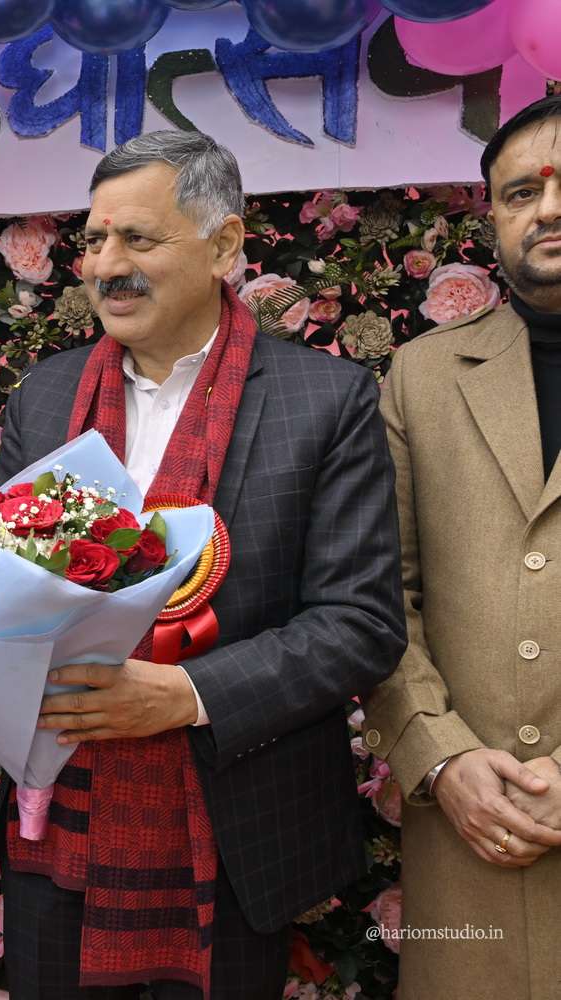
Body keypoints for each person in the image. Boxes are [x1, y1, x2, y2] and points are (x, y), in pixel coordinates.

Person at [0, 130, 406, 999]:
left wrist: (185, 695)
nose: (107, 265)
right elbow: (2, 591)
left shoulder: (323, 401)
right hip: (57, 820)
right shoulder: (46, 396)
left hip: (235, 830)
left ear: (224, 246)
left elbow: (360, 624)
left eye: (138, 239)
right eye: (94, 240)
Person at [363, 93, 561, 1000]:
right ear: (494, 220)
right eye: (522, 193)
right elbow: (378, 596)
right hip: (472, 833)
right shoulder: (424, 375)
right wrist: (440, 757)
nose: (548, 209)